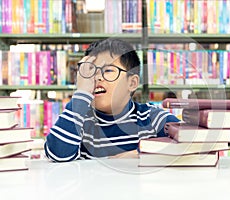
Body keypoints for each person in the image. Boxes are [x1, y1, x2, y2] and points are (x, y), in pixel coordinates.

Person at [44, 38, 180, 162]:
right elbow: (57, 154)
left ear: (132, 83)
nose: (97, 77)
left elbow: (192, 142)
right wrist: (81, 93)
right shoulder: (80, 122)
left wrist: (140, 153)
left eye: (108, 70)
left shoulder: (152, 118)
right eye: (91, 71)